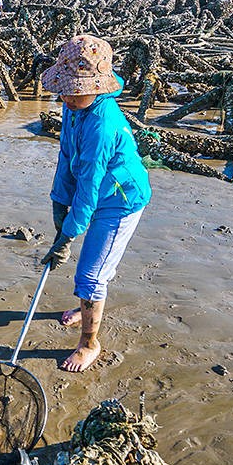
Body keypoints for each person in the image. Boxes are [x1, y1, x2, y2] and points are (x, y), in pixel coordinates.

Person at [39, 35, 151, 373]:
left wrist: (68, 235)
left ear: (97, 86)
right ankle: (86, 305)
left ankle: (90, 343)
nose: (64, 97)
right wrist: (59, 202)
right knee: (91, 271)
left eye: (72, 90)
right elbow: (67, 156)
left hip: (120, 199)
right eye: (63, 89)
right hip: (96, 190)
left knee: (90, 273)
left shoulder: (104, 124)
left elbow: (89, 184)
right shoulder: (74, 106)